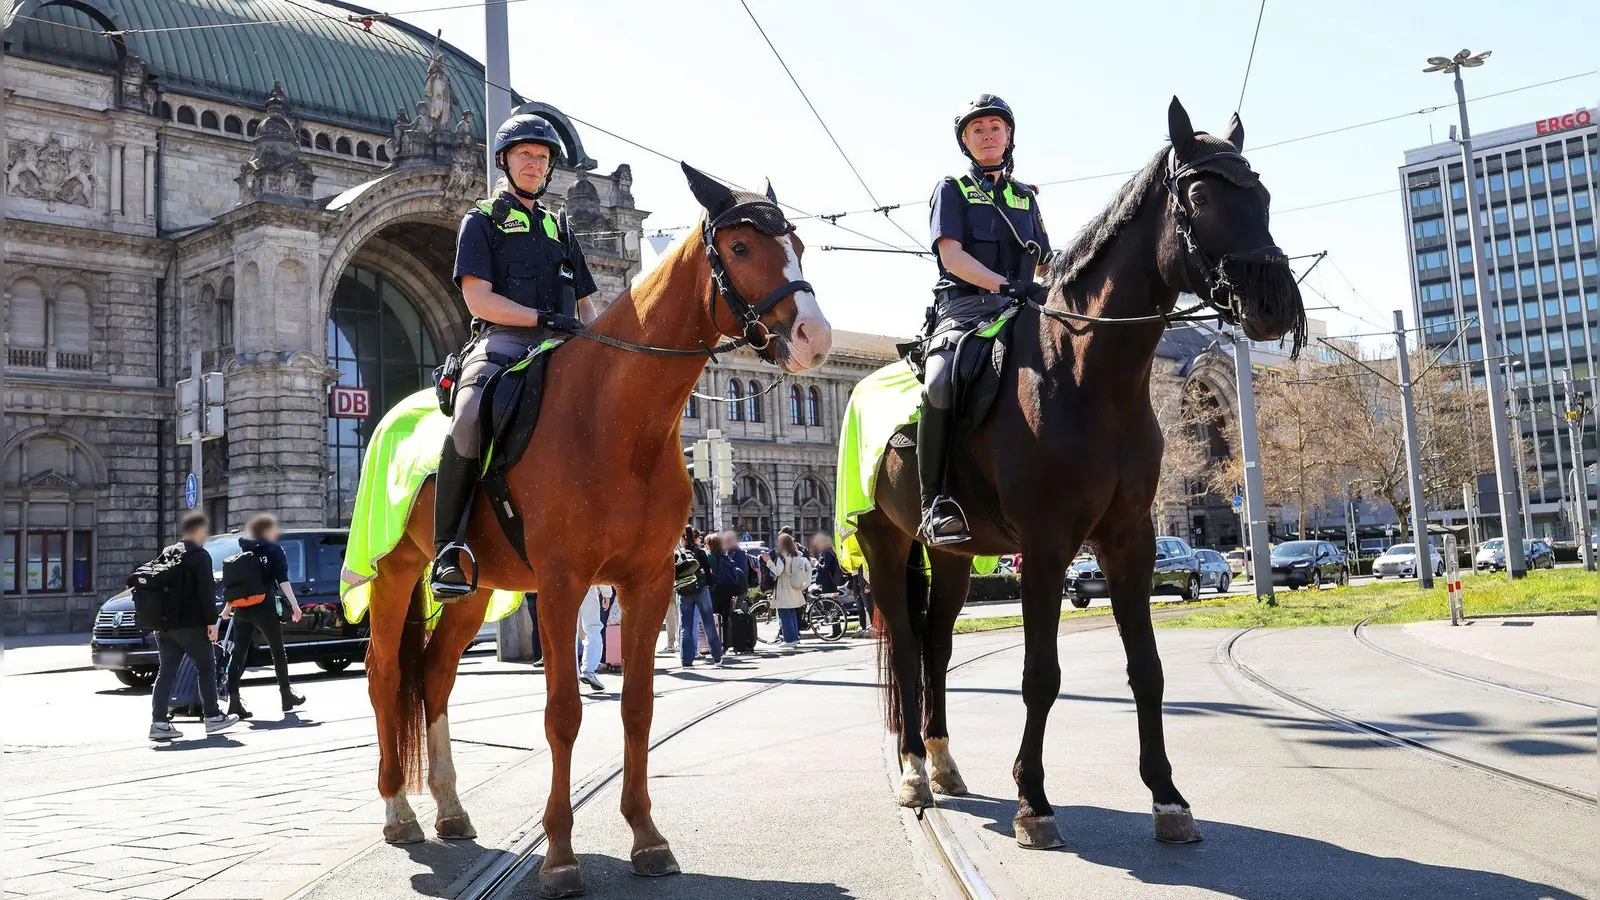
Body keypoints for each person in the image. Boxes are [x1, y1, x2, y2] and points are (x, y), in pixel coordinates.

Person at [430, 113, 600, 598]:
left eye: (542, 158)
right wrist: (541, 320)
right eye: (525, 154)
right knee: (469, 414)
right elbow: (479, 299)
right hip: (503, 342)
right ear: (505, 160)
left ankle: (661, 541)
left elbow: (588, 304)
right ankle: (448, 550)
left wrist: (599, 340)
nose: (534, 163)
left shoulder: (560, 227)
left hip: (566, 345)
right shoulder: (481, 220)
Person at [920, 95, 1051, 544]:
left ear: (1009, 136)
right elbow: (951, 256)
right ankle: (934, 502)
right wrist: (1001, 284)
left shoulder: (1025, 198)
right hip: (964, 311)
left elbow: (1049, 262)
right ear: (965, 141)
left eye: (996, 127)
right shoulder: (951, 190)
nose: (988, 134)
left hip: (1023, 309)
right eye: (978, 129)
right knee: (939, 382)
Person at [148, 513, 240, 741]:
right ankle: (213, 716)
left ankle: (159, 722)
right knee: (206, 667)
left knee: (166, 671)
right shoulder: (200, 556)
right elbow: (206, 593)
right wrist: (212, 623)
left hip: (164, 624)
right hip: (191, 624)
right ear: (198, 531)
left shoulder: (168, 552)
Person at [222, 514, 306, 718]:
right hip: (265, 607)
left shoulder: (244, 549)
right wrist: (295, 606)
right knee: (278, 651)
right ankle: (286, 697)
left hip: (242, 609)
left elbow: (236, 584)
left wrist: (227, 608)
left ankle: (234, 700)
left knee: (239, 653)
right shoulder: (274, 550)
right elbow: (283, 581)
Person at [678, 532, 723, 667]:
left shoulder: (677, 554)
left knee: (686, 625)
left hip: (684, 592)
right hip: (701, 590)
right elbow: (709, 573)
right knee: (708, 622)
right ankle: (717, 657)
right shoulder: (700, 552)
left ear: (683, 539)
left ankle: (686, 659)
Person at [763, 534, 811, 652]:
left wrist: (768, 561)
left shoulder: (782, 556)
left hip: (784, 589)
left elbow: (777, 571)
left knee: (784, 614)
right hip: (794, 588)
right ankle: (794, 638)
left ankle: (789, 640)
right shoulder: (796, 555)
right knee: (792, 614)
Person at [711, 533, 750, 655]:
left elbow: (740, 574)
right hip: (730, 591)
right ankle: (730, 643)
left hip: (734, 591)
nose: (725, 543)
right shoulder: (728, 554)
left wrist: (736, 592)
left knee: (733, 617)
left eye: (727, 541)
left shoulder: (738, 554)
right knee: (729, 617)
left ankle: (734, 642)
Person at [576, 585, 608, 691]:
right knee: (593, 629)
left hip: (563, 586)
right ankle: (588, 670)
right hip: (587, 587)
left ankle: (572, 677)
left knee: (570, 635)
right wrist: (607, 593)